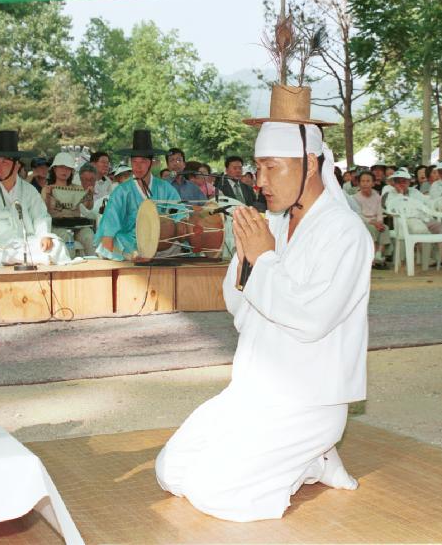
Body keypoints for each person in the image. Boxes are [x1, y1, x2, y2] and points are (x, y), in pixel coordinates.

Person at [156, 83, 371, 522]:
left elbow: (312, 320)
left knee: (216, 493)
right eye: (258, 167)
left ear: (311, 164)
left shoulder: (346, 234)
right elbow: (239, 310)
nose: (261, 181)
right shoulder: (270, 224)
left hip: (309, 399)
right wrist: (252, 259)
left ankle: (310, 452)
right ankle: (311, 461)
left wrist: (263, 258)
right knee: (172, 472)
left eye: (273, 167)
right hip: (255, 390)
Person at [0, 130, 69, 267]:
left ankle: (14, 260)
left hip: (24, 242)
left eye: (3, 162)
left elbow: (40, 216)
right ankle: (21, 259)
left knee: (56, 246)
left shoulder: (29, 190)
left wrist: (44, 234)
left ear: (17, 166)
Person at [94, 129, 186, 260]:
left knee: (181, 245)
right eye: (134, 161)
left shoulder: (165, 188)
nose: (138, 166)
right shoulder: (122, 191)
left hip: (162, 241)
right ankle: (134, 256)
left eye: (143, 161)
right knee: (115, 242)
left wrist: (178, 226)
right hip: (131, 242)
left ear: (151, 163)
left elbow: (179, 214)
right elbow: (109, 227)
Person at [42, 152, 96, 257]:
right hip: (57, 226)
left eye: (68, 168)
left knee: (89, 235)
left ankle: (94, 266)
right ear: (54, 169)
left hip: (77, 225)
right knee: (67, 238)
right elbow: (44, 211)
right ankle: (69, 267)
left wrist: (90, 195)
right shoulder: (47, 189)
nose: (64, 171)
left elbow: (88, 207)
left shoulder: (78, 188)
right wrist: (48, 196)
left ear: (71, 171)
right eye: (61, 167)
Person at [353, 171, 389, 268]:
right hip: (364, 222)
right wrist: (373, 222)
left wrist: (380, 222)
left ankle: (379, 254)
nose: (365, 183)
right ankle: (372, 257)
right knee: (372, 229)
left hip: (376, 221)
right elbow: (358, 215)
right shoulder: (355, 198)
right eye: (363, 181)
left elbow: (379, 212)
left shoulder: (377, 196)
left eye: (368, 181)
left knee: (385, 228)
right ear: (359, 183)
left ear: (373, 183)